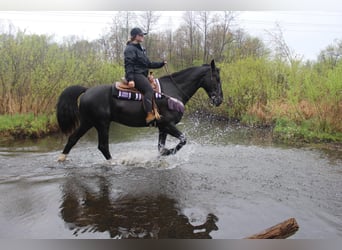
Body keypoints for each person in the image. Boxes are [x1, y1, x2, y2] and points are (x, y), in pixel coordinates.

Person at [124, 27, 167, 124]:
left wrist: (161, 64)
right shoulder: (130, 49)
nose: (143, 36)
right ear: (135, 36)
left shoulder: (140, 50)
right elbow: (129, 64)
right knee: (149, 90)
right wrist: (130, 79)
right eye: (140, 35)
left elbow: (148, 64)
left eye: (143, 35)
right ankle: (149, 115)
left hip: (141, 74)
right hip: (135, 74)